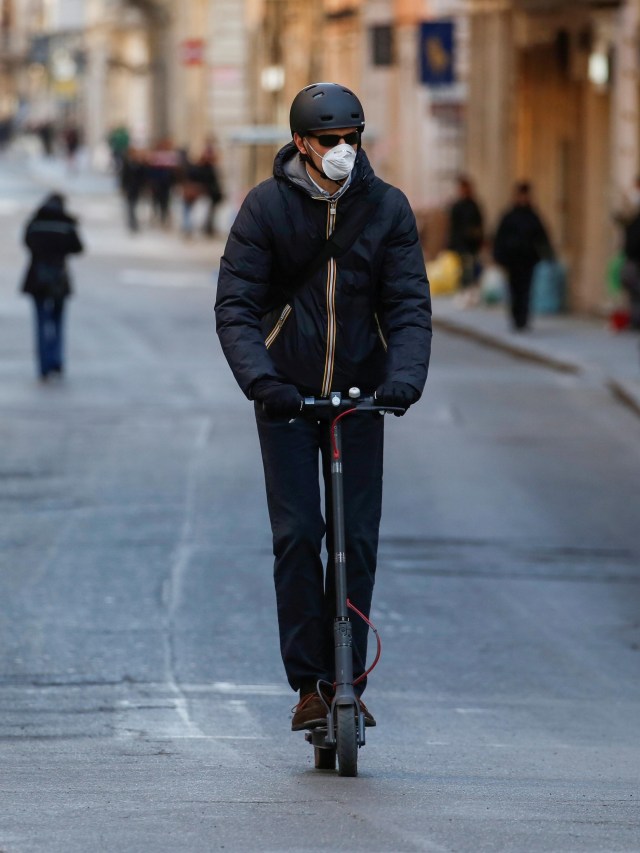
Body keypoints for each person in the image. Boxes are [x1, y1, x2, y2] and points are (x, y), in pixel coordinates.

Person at [215, 82, 432, 731]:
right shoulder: (266, 208)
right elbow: (236, 307)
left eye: (351, 139)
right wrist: (263, 380)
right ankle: (310, 684)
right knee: (299, 535)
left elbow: (409, 307)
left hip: (360, 398)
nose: (343, 151)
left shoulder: (387, 208)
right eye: (330, 141)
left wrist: (404, 378)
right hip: (286, 396)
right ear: (302, 143)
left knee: (355, 541)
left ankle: (349, 681)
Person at [21, 193, 83, 381]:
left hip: (37, 277)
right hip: (58, 278)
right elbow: (78, 248)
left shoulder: (35, 223)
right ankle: (56, 359)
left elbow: (27, 243)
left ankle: (43, 365)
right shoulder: (66, 225)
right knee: (58, 321)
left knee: (41, 323)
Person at [492, 181, 552, 331]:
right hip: (512, 261)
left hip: (528, 260)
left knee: (526, 290)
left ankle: (523, 319)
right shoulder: (509, 216)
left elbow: (542, 236)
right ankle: (516, 318)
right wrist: (499, 257)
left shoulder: (532, 216)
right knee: (514, 290)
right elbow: (500, 237)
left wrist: (547, 254)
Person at [448, 174, 484, 305]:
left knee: (472, 269)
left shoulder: (473, 205)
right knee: (464, 269)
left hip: (472, 244)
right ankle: (464, 293)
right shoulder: (457, 206)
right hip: (461, 244)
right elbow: (453, 227)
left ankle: (470, 293)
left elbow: (479, 224)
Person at [621, 209, 640, 330]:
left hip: (632, 263)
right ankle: (636, 321)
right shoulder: (634, 225)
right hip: (634, 264)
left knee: (635, 296)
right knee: (635, 295)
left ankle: (636, 321)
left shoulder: (633, 224)